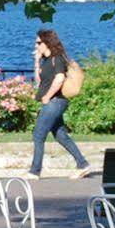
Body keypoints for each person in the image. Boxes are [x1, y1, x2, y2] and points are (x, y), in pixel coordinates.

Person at [28, 27, 91, 179]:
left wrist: (47, 97)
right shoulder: (47, 61)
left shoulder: (58, 58)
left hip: (56, 101)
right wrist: (36, 61)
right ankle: (83, 164)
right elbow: (39, 81)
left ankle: (34, 171)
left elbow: (59, 79)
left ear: (47, 42)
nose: (36, 46)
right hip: (53, 102)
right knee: (60, 135)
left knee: (38, 134)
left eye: (38, 43)